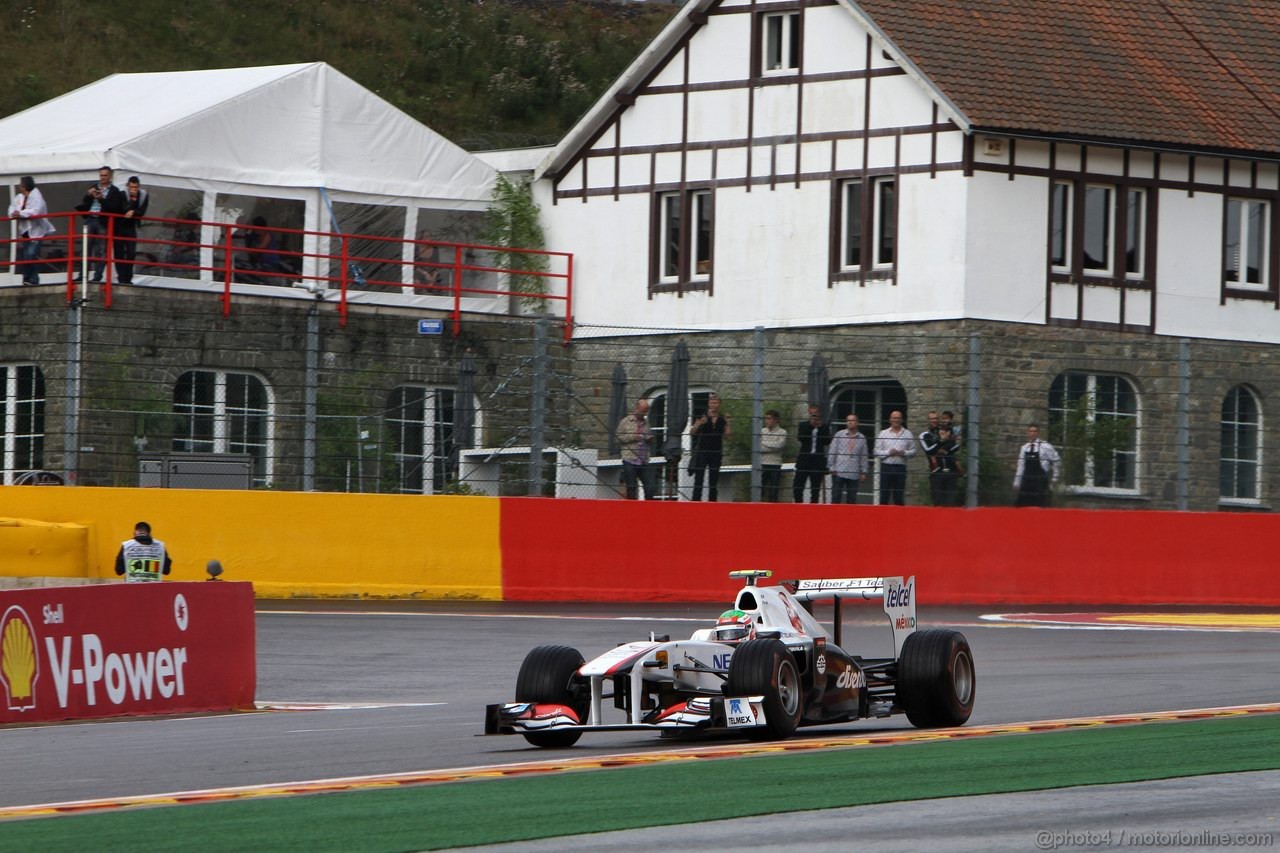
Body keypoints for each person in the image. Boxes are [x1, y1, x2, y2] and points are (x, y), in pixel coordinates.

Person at [74, 166, 126, 282]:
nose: (102, 178)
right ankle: (82, 275)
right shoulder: (94, 186)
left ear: (110, 176)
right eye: (101, 175)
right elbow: (85, 202)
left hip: (103, 221)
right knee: (85, 248)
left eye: (105, 175)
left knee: (101, 250)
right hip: (91, 218)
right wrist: (89, 195)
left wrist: (101, 199)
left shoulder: (115, 191)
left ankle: (97, 277)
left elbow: (115, 208)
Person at [7, 177, 55, 286]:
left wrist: (21, 213)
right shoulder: (19, 197)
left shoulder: (37, 196)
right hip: (25, 231)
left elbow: (36, 211)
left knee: (31, 254)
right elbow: (11, 207)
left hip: (37, 231)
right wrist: (13, 213)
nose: (19, 186)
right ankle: (27, 279)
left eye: (21, 184)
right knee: (26, 256)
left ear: (25, 186)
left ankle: (32, 279)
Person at [689, 394, 731, 501]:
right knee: (699, 478)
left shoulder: (722, 419)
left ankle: (712, 502)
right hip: (703, 451)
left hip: (716, 452)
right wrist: (698, 424)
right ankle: (696, 501)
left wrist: (728, 423)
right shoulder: (702, 415)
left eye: (716, 403)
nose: (713, 405)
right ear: (708, 403)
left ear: (719, 404)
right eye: (711, 403)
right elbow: (692, 433)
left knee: (714, 479)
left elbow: (728, 437)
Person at [616, 398, 655, 500]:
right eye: (643, 411)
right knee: (632, 488)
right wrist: (633, 437)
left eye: (646, 411)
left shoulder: (646, 423)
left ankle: (648, 510)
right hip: (630, 459)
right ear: (637, 408)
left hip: (643, 460)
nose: (644, 414)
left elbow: (649, 437)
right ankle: (632, 511)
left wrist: (650, 439)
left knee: (650, 488)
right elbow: (618, 438)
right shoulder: (625, 422)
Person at [875, 410, 916, 505]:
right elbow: (876, 451)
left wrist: (904, 453)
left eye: (898, 418)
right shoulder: (883, 433)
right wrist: (888, 452)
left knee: (899, 495)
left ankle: (900, 518)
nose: (896, 420)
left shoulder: (907, 434)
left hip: (900, 467)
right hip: (886, 467)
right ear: (890, 420)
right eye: (894, 418)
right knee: (884, 495)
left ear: (902, 420)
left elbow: (913, 451)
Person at [1014, 423, 1060, 507]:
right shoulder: (1024, 448)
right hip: (1027, 481)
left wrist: (1055, 477)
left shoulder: (1045, 446)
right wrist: (1017, 482)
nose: (1032, 433)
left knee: (1039, 505)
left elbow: (1056, 460)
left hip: (1040, 481)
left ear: (1038, 433)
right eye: (1030, 431)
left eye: (1034, 431)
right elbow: (1021, 465)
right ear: (1028, 433)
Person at [827, 413, 869, 504]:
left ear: (857, 422)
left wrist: (863, 471)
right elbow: (832, 451)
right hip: (839, 471)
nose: (850, 422)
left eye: (853, 420)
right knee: (836, 496)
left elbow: (864, 456)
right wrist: (831, 467)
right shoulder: (839, 434)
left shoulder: (861, 438)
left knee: (851, 499)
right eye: (848, 421)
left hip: (854, 472)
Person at [793, 405, 831, 503]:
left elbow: (827, 441)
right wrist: (811, 426)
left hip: (817, 462)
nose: (813, 416)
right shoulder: (803, 425)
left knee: (815, 489)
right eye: (811, 414)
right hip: (804, 460)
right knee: (798, 487)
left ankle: (813, 508)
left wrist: (820, 428)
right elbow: (801, 438)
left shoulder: (824, 426)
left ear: (819, 414)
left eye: (815, 414)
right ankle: (799, 506)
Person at [115, 176, 149, 284]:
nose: (133, 189)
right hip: (120, 225)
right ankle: (121, 278)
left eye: (135, 187)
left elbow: (142, 211)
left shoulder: (143, 195)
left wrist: (133, 211)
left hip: (132, 226)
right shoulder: (122, 194)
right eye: (131, 187)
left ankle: (128, 278)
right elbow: (122, 209)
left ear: (138, 187)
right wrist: (132, 204)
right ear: (128, 186)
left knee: (131, 253)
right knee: (119, 253)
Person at [931, 425, 964, 506]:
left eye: (943, 433)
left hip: (951, 472)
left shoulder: (953, 443)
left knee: (950, 497)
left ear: (948, 433)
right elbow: (932, 453)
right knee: (938, 496)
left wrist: (961, 471)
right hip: (939, 471)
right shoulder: (937, 443)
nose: (941, 436)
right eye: (940, 434)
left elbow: (953, 455)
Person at [759, 409, 787, 502]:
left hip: (775, 464)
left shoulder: (782, 432)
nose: (766, 421)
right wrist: (772, 445)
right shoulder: (761, 431)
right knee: (760, 489)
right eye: (766, 419)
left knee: (773, 490)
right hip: (762, 463)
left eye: (769, 419)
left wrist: (764, 443)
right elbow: (758, 448)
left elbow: (779, 446)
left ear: (775, 420)